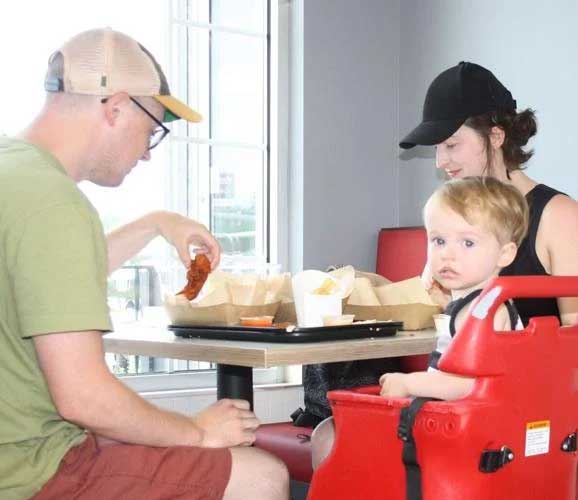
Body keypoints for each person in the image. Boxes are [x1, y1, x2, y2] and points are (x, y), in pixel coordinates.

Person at [0, 28, 288, 500]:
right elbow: (83, 397)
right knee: (260, 474)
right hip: (32, 471)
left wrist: (157, 222)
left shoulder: (15, 174)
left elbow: (45, 277)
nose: (149, 153)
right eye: (152, 128)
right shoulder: (55, 204)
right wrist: (196, 431)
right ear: (114, 107)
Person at [311, 175, 529, 468]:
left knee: (328, 434)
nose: (447, 254)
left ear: (505, 253)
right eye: (438, 240)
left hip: (459, 431)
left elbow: (468, 385)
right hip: (466, 426)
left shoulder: (478, 312)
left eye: (467, 242)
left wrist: (408, 382)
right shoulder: (485, 303)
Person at [399, 61, 578, 327]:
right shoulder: (455, 226)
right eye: (438, 148)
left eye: (451, 144)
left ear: (496, 137)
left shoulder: (559, 217)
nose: (440, 161)